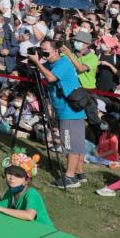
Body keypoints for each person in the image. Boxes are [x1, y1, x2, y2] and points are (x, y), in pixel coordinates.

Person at [28, 39, 87, 189]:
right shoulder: (49, 63)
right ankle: (79, 173)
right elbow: (40, 70)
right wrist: (34, 61)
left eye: (45, 50)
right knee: (76, 144)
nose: (43, 53)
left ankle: (70, 178)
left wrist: (38, 63)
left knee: (70, 145)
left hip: (70, 111)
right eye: (41, 50)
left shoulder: (63, 63)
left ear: (56, 51)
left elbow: (51, 77)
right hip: (64, 110)